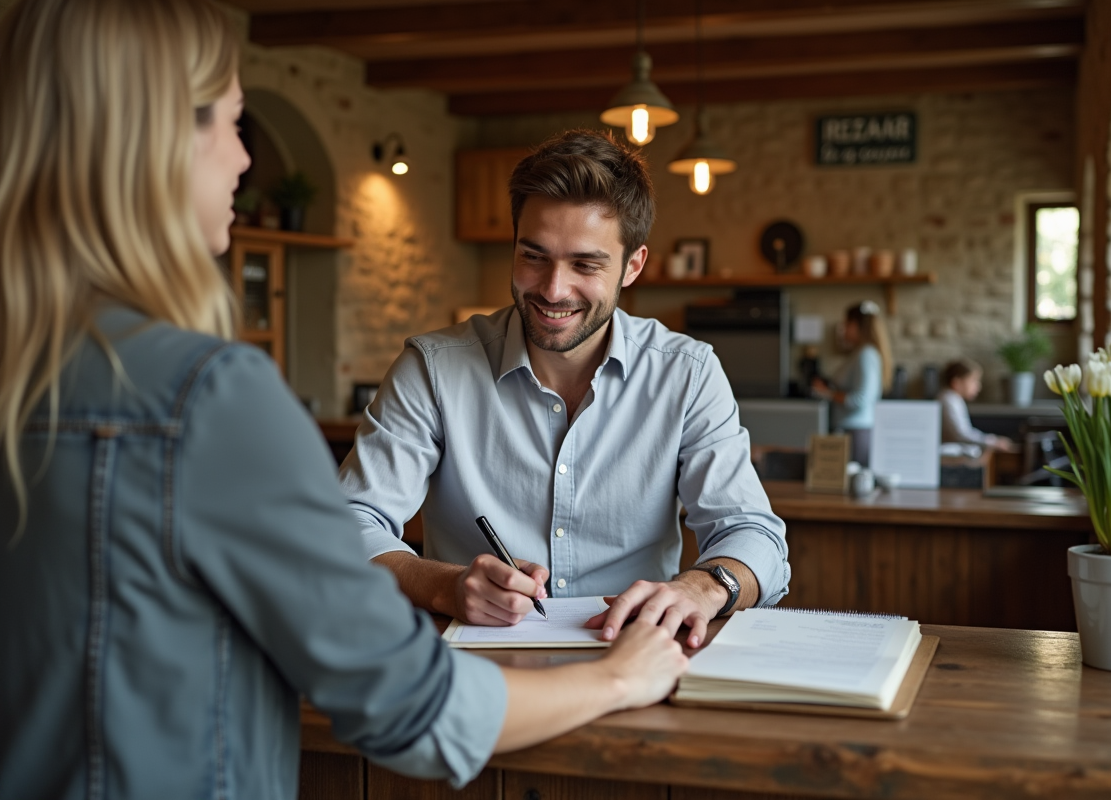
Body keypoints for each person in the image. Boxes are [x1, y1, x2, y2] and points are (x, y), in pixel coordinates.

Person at [0, 3, 688, 798]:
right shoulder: (207, 397)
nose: (242, 160)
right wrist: (619, 679)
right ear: (148, 142)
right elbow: (412, 708)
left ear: (630, 267)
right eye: (231, 122)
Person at [340, 129, 789, 650]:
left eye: (585, 264)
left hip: (637, 660)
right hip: (474, 668)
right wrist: (445, 586)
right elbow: (348, 524)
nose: (553, 289)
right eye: (534, 256)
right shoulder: (432, 369)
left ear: (633, 266)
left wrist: (703, 587)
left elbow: (755, 536)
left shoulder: (686, 373)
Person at [810, 300, 894, 466]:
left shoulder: (866, 355)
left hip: (856, 434)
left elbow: (861, 399)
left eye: (846, 323)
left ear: (856, 326)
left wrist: (826, 392)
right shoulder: (860, 353)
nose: (843, 328)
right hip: (852, 431)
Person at [939, 359, 1017, 452]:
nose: (978, 387)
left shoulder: (954, 399)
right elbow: (961, 434)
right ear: (957, 382)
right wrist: (993, 442)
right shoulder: (948, 400)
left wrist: (992, 440)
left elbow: (966, 432)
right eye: (973, 381)